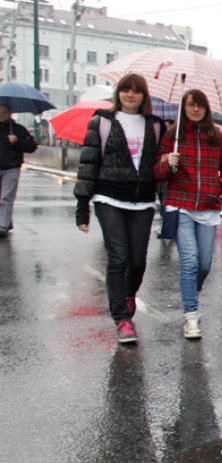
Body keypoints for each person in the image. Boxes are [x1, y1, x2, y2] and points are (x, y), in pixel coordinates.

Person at [75, 74, 164, 344]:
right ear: (118, 93)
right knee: (118, 258)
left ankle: (128, 294)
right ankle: (122, 319)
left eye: (136, 91)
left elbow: (159, 169)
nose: (130, 95)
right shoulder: (102, 122)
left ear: (143, 96)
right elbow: (88, 163)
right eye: (126, 90)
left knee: (138, 262)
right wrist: (82, 206)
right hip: (109, 198)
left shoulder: (156, 125)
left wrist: (167, 169)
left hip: (143, 200)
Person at [155, 89, 222, 339]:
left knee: (203, 264)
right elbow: (157, 173)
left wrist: (219, 185)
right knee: (189, 261)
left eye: (200, 105)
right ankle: (191, 316)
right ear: (184, 107)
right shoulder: (172, 136)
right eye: (191, 105)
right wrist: (168, 163)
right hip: (180, 204)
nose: (196, 109)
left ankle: (191, 287)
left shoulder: (217, 137)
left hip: (208, 207)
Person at [0, 103, 38, 238]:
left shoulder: (18, 129)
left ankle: (2, 226)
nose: (1, 115)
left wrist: (17, 141)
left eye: (4, 112)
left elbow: (32, 147)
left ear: (10, 113)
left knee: (6, 197)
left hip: (11, 168)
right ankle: (6, 221)